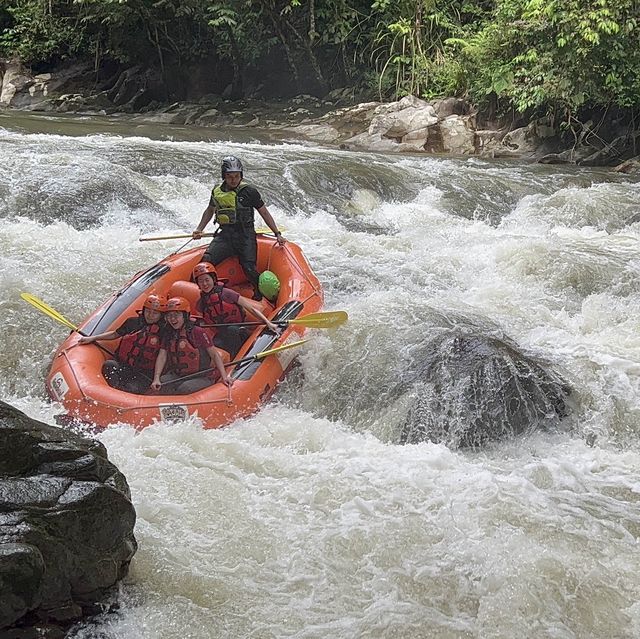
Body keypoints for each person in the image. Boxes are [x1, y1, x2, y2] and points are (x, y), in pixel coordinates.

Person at [192, 155, 285, 300]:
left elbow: (264, 212)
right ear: (224, 176)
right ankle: (208, 293)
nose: (233, 180)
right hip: (225, 235)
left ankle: (260, 297)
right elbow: (209, 211)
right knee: (206, 262)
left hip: (245, 235)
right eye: (230, 176)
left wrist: (277, 233)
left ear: (241, 175)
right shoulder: (217, 191)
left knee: (249, 268)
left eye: (236, 176)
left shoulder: (250, 192)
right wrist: (199, 229)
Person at [78, 293, 165, 394]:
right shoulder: (132, 322)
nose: (150, 315)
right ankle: (110, 393)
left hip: (144, 374)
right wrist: (93, 338)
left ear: (161, 315)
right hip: (125, 366)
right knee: (109, 365)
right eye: (148, 311)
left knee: (131, 389)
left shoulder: (163, 331)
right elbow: (115, 334)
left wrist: (156, 377)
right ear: (144, 310)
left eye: (155, 313)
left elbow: (162, 355)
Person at [192, 262, 280, 357]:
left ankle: (238, 357)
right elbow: (203, 323)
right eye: (201, 281)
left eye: (207, 280)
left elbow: (250, 308)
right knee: (215, 343)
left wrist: (268, 323)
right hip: (222, 334)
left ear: (213, 279)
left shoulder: (226, 293)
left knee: (232, 331)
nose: (204, 284)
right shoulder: (201, 303)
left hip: (239, 330)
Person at [151, 296, 232, 395]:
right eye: (169, 316)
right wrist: (156, 378)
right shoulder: (169, 333)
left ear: (185, 316)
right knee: (163, 381)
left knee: (185, 388)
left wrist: (224, 377)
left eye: (176, 315)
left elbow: (214, 355)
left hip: (201, 377)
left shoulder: (198, 332)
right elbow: (162, 356)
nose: (172, 319)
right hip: (179, 375)